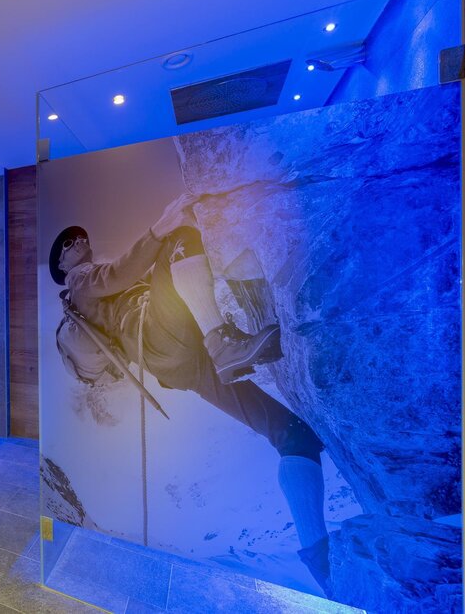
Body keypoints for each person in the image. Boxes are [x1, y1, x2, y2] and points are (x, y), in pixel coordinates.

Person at [50, 193, 332, 596]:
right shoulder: (80, 280)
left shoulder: (86, 284)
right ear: (63, 266)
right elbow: (118, 274)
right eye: (67, 244)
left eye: (79, 236)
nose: (77, 241)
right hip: (160, 338)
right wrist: (158, 229)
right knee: (180, 237)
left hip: (182, 364)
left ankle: (321, 561)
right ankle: (223, 342)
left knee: (291, 434)